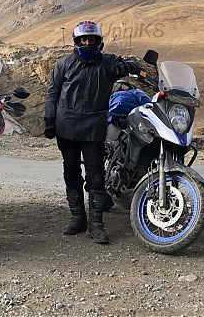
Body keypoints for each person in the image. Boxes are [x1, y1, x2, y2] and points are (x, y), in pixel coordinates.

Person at [44, 20, 139, 244]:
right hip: (66, 126)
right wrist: (49, 120)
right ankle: (78, 217)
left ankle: (96, 224)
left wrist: (131, 66)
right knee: (71, 173)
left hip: (95, 128)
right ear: (76, 42)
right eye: (83, 40)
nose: (87, 43)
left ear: (99, 41)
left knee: (96, 177)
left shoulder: (108, 63)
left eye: (91, 39)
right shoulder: (64, 64)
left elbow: (122, 66)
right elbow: (52, 92)